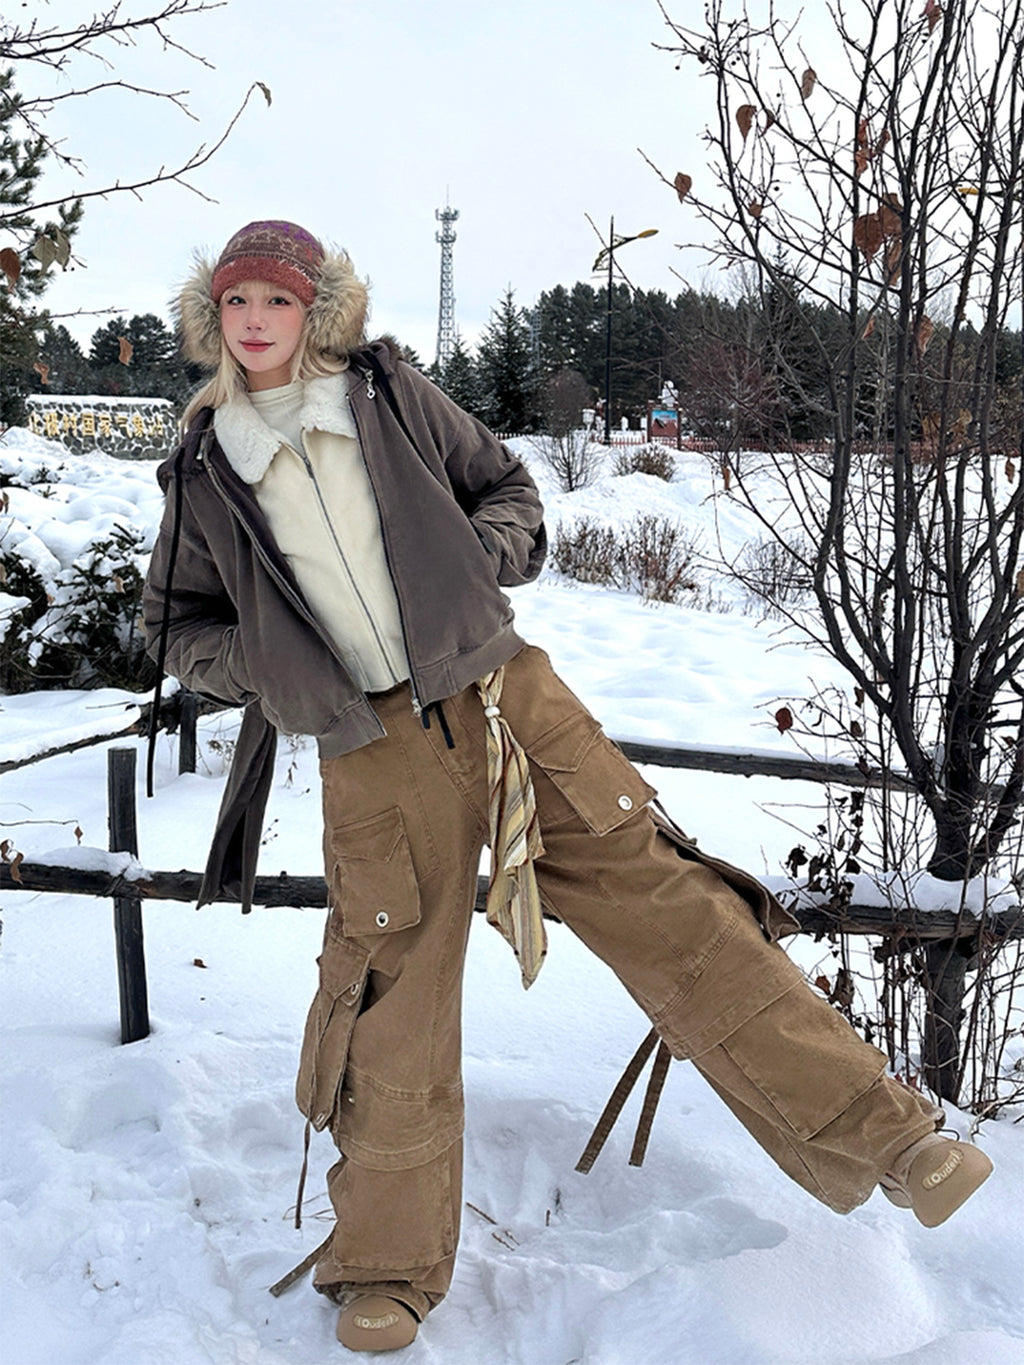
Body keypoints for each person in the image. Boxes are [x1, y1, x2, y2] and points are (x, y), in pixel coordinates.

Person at [143, 220, 992, 1354]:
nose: (257, 320)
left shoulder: (389, 397)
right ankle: (386, 1269)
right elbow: (175, 626)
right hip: (370, 751)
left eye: (279, 300)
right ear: (212, 320)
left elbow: (508, 490)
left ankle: (894, 1140)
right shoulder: (205, 464)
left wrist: (479, 558)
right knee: (391, 999)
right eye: (236, 302)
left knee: (673, 909)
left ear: (318, 311)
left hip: (510, 703)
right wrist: (263, 665)